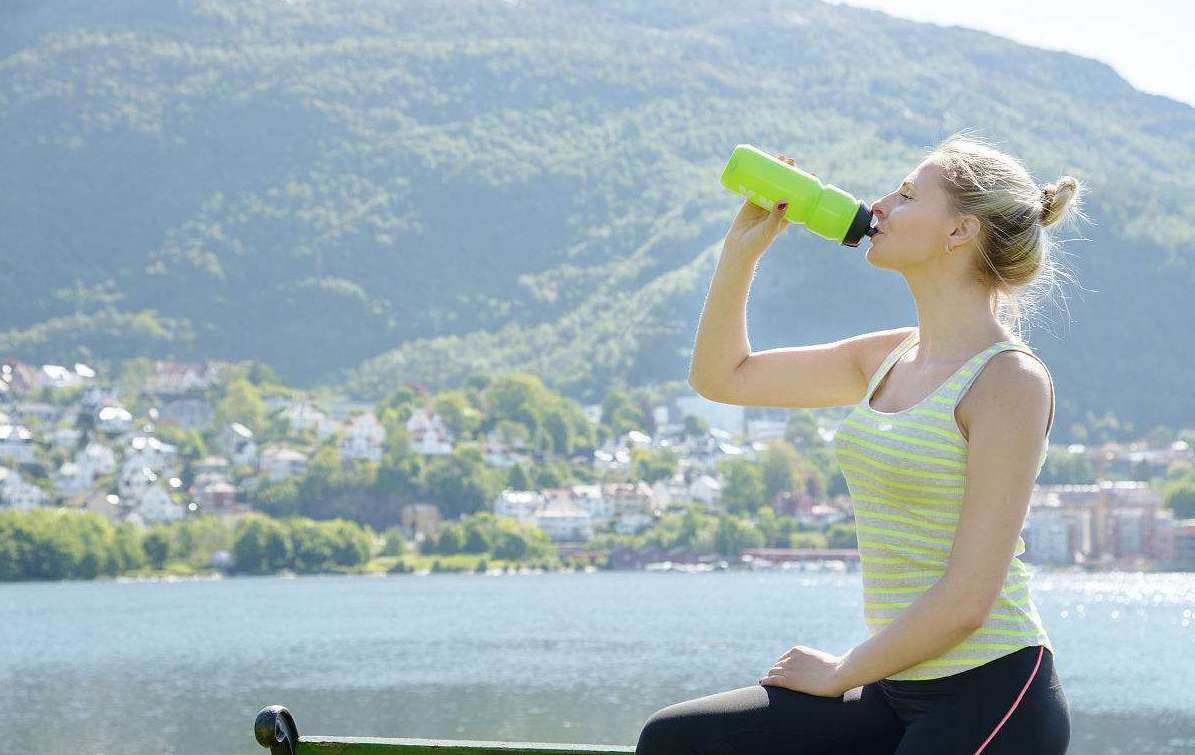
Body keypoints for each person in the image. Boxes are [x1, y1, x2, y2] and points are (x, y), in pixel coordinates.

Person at [636, 132, 1085, 754]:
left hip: (993, 694)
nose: (878, 206)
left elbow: (968, 599)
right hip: (893, 688)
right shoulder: (886, 357)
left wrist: (843, 671)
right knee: (679, 742)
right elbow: (720, 377)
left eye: (905, 195)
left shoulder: (1009, 381)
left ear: (959, 232)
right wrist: (741, 253)